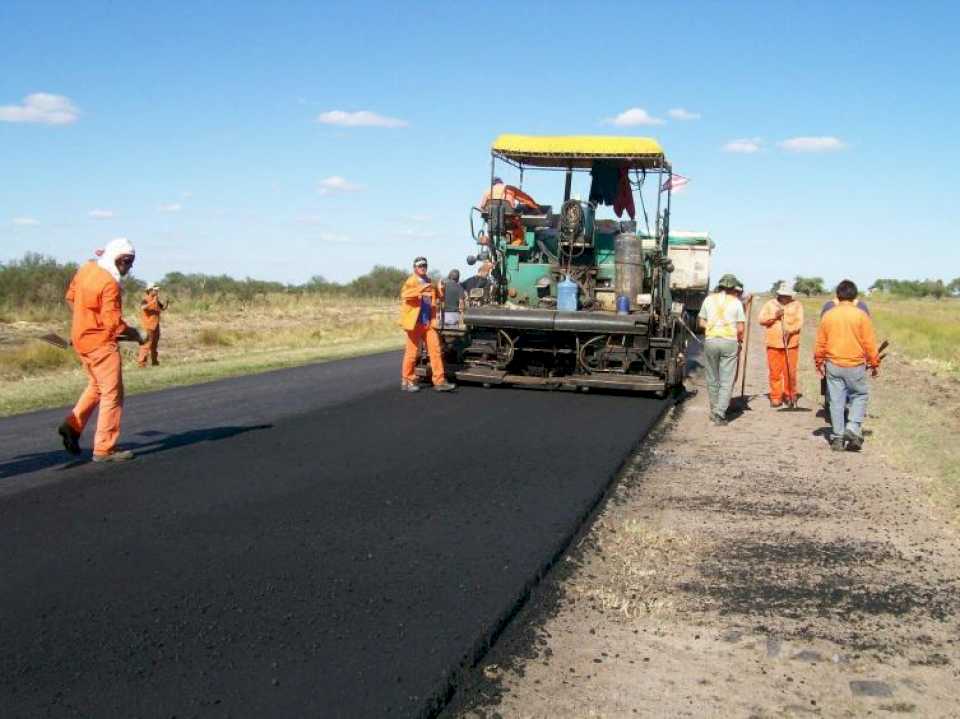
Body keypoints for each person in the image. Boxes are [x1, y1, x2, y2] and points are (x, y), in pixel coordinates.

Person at [58, 238, 143, 462]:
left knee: (97, 385)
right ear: (117, 258)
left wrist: (83, 323)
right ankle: (104, 448)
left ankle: (72, 425)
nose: (129, 267)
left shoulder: (86, 269)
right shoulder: (109, 284)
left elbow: (71, 298)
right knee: (113, 393)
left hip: (81, 339)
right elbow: (114, 323)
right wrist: (136, 334)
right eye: (128, 261)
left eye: (131, 262)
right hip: (100, 344)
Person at [814, 279, 880, 451]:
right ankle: (852, 427)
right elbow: (869, 343)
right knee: (860, 395)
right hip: (855, 364)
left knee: (836, 401)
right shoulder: (861, 315)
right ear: (855, 296)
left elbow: (820, 342)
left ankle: (837, 438)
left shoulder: (829, 315)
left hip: (833, 364)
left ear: (837, 295)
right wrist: (874, 363)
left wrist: (819, 361)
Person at [398, 256, 456, 393]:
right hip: (414, 323)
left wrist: (441, 290)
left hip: (428, 323)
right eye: (420, 266)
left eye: (424, 265)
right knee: (412, 354)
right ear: (415, 268)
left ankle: (439, 381)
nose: (422, 267)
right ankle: (407, 380)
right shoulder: (411, 281)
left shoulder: (430, 281)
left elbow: (437, 298)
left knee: (435, 351)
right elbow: (404, 295)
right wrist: (421, 289)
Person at [697, 274, 746, 425]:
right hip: (729, 343)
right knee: (727, 380)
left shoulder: (708, 299)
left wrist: (713, 327)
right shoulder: (737, 303)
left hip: (711, 341)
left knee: (712, 377)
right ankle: (719, 413)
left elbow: (701, 322)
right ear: (733, 288)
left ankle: (714, 409)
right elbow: (740, 327)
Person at [758, 282, 804, 407]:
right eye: (784, 295)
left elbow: (799, 322)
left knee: (790, 372)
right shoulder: (770, 304)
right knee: (775, 372)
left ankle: (790, 395)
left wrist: (790, 330)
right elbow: (761, 320)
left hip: (791, 345)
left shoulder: (797, 305)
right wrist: (774, 316)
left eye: (788, 295)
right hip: (773, 344)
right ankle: (776, 397)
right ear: (779, 294)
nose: (786, 298)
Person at [136, 283, 167, 367]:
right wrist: (152, 302)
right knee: (146, 345)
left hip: (156, 326)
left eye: (157, 290)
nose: (157, 291)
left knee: (154, 345)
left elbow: (162, 308)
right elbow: (143, 307)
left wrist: (166, 303)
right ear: (150, 290)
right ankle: (141, 364)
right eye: (155, 290)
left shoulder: (156, 299)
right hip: (147, 326)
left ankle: (155, 362)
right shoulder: (145, 299)